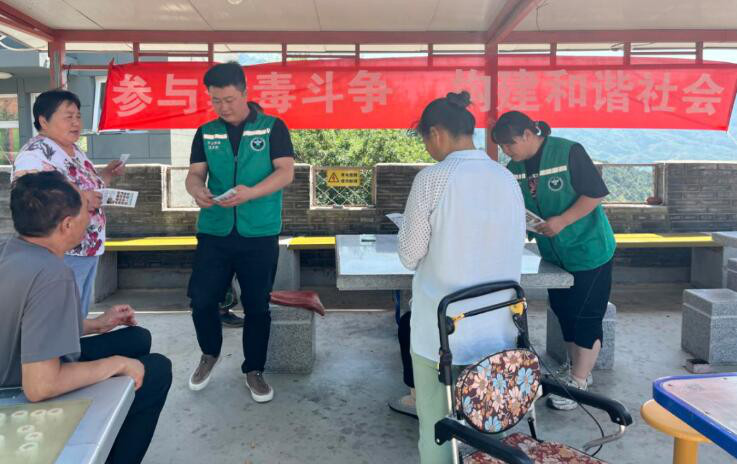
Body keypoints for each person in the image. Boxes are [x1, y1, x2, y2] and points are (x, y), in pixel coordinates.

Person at [0, 171, 172, 464]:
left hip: (17, 360)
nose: (92, 218)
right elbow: (40, 386)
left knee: (137, 339)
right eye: (87, 210)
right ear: (67, 225)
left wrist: (98, 324)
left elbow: (29, 324)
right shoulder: (52, 275)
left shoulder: (11, 250)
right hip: (17, 385)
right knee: (155, 370)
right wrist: (116, 364)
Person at [398, 91, 526, 464]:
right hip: (499, 330)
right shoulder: (506, 177)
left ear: (436, 133)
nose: (428, 149)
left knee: (438, 431)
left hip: (441, 335)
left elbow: (409, 254)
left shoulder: (432, 179)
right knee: (493, 426)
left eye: (425, 139)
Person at [491, 110, 616, 411]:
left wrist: (562, 220)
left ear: (527, 134)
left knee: (586, 316)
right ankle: (576, 370)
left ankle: (580, 382)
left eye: (510, 144)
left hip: (589, 251)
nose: (507, 151)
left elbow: (595, 194)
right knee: (564, 312)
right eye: (502, 146)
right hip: (554, 254)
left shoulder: (567, 151)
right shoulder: (515, 167)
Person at [185, 62, 295, 402]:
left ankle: (254, 369)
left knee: (257, 305)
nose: (223, 107)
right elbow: (194, 174)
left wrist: (252, 193)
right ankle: (210, 352)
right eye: (215, 100)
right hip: (215, 231)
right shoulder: (206, 132)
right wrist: (197, 191)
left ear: (245, 93)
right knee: (202, 298)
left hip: (259, 231)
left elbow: (285, 172)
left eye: (229, 99)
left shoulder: (272, 128)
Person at [12, 89, 125, 318]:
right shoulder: (35, 154)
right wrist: (82, 198)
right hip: (61, 250)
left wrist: (105, 176)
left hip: (87, 246)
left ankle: (74, 342)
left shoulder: (74, 150)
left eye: (78, 116)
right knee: (61, 316)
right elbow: (32, 199)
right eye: (68, 116)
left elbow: (84, 185)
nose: (76, 123)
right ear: (44, 121)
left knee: (77, 315)